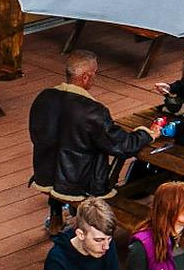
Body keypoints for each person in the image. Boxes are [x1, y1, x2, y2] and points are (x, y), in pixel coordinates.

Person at [28, 49, 153, 232]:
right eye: (95, 74)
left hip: (46, 174)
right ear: (86, 77)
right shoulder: (93, 111)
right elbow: (122, 146)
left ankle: (56, 218)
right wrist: (147, 133)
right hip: (81, 185)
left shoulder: (43, 98)